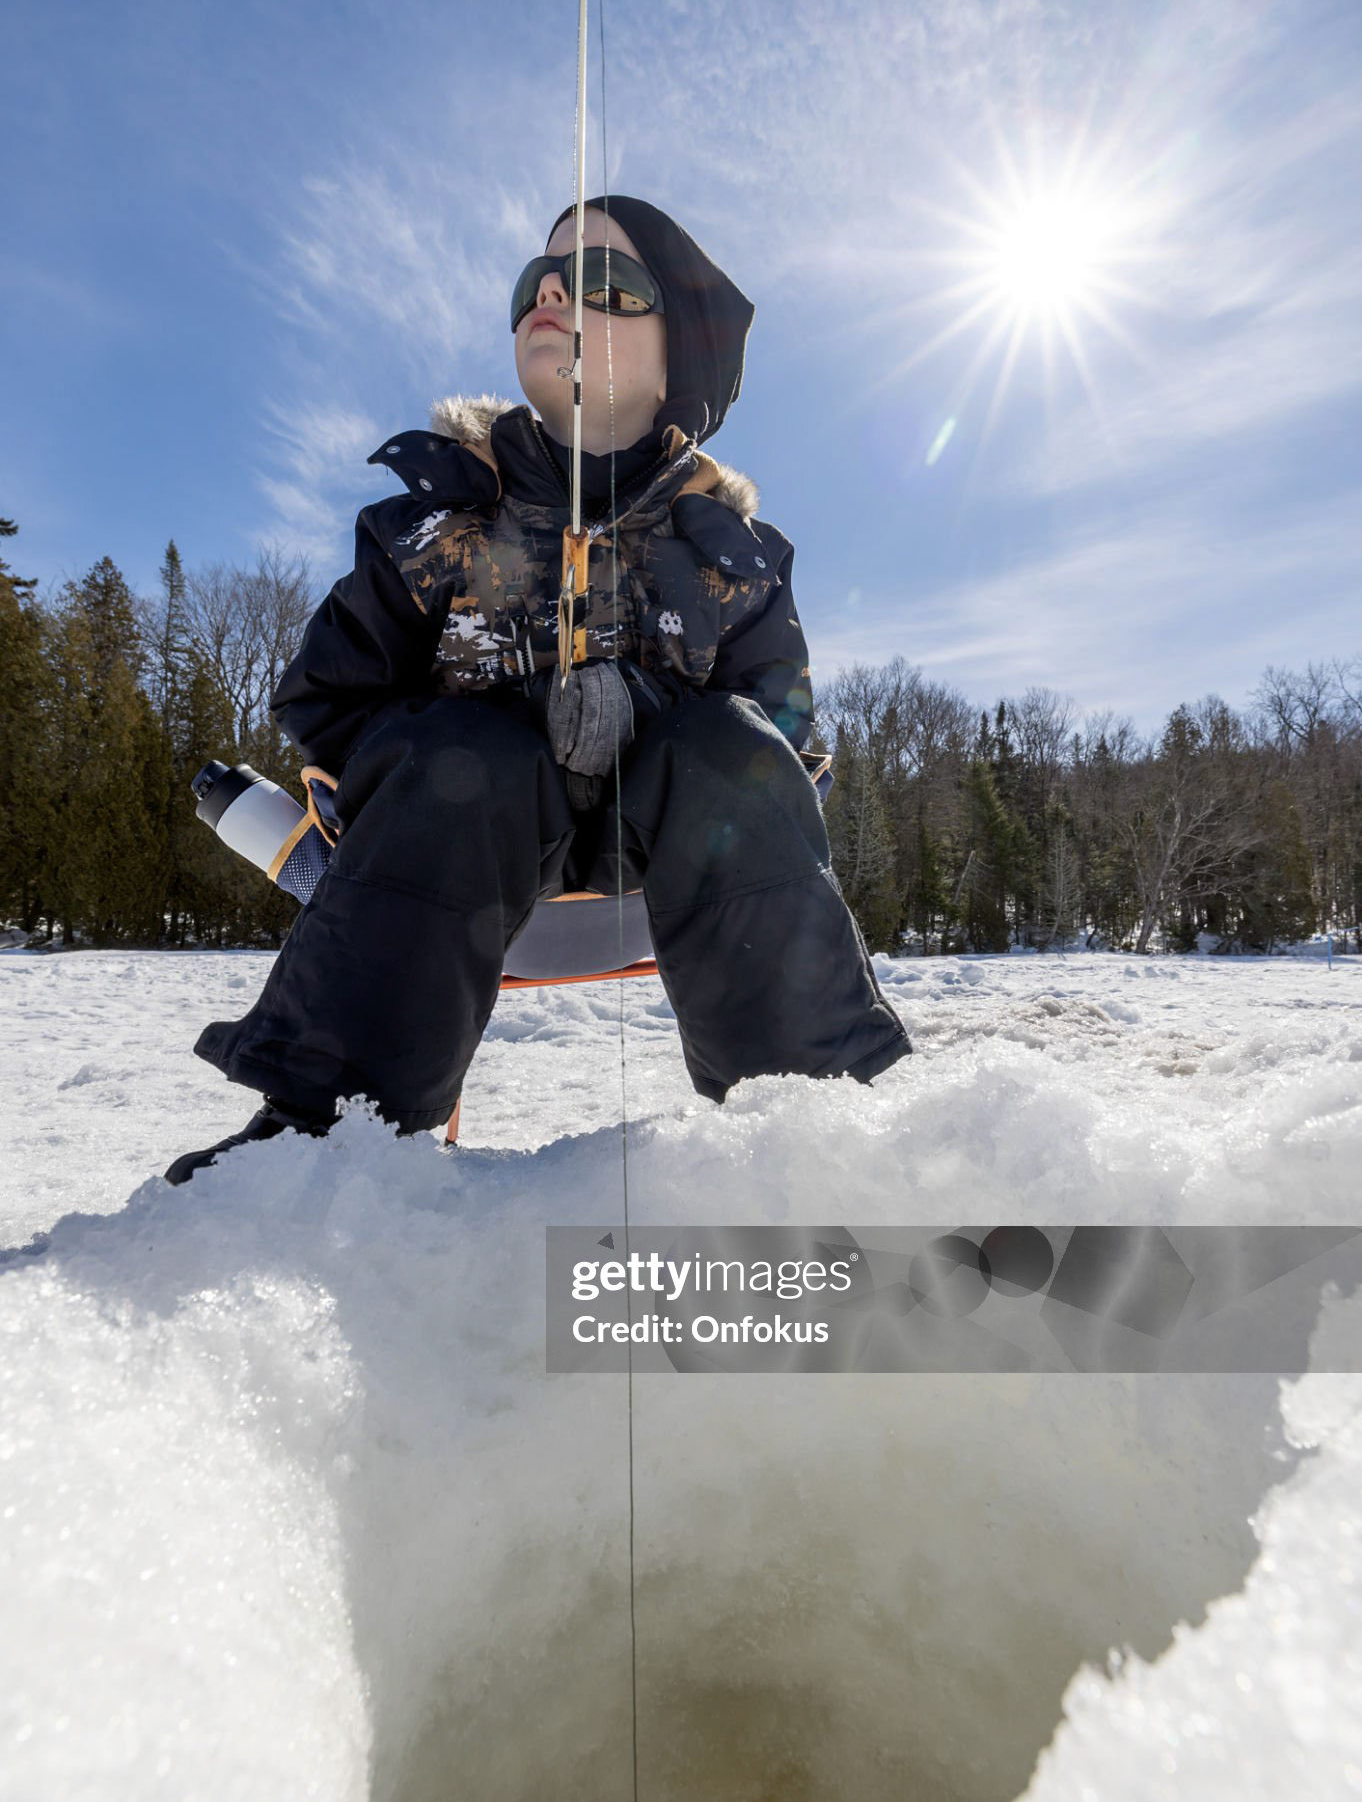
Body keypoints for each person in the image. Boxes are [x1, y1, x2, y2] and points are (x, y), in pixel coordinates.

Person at [166, 196, 912, 1184]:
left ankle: (821, 1132)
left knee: (730, 754)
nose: (552, 289)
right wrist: (503, 727)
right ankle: (321, 1148)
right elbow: (327, 699)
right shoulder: (437, 522)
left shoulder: (733, 558)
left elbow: (791, 749)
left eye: (603, 282)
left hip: (664, 888)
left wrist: (644, 721)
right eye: (539, 280)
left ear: (675, 359)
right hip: (445, 884)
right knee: (465, 758)